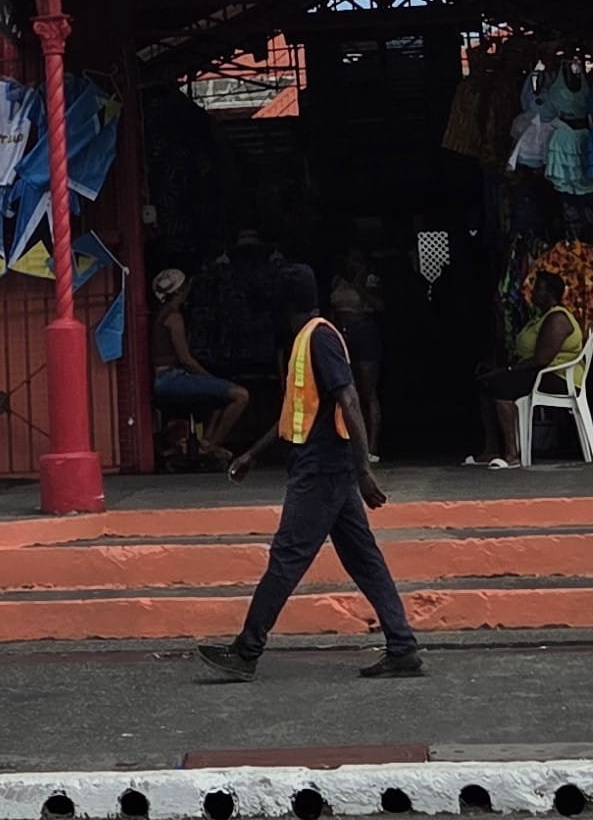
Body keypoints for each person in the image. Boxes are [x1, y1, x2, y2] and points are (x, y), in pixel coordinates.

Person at [196, 264, 423, 682]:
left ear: (282, 305)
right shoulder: (310, 339)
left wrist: (364, 471)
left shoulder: (318, 339)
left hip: (322, 470)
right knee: (364, 559)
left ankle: (246, 651)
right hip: (325, 466)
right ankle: (403, 646)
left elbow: (350, 402)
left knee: (287, 557)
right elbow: (295, 413)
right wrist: (252, 454)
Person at [472, 271, 583, 468]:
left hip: (557, 377)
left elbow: (542, 359)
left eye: (538, 289)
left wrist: (507, 370)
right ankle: (491, 449)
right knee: (486, 383)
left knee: (502, 386)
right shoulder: (540, 318)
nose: (532, 293)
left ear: (550, 294)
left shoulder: (557, 318)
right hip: (540, 373)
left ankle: (511, 454)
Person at [150, 269, 249, 454]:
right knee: (240, 395)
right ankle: (211, 447)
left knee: (220, 396)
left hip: (164, 379)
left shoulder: (160, 315)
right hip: (170, 379)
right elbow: (186, 360)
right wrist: (210, 378)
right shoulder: (173, 317)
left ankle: (206, 443)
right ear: (180, 291)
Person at [328, 248, 385, 459]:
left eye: (357, 261)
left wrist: (359, 287)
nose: (353, 265)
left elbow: (380, 305)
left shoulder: (370, 280)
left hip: (364, 332)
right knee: (344, 388)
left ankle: (371, 446)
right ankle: (347, 444)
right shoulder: (337, 281)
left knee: (367, 392)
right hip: (343, 334)